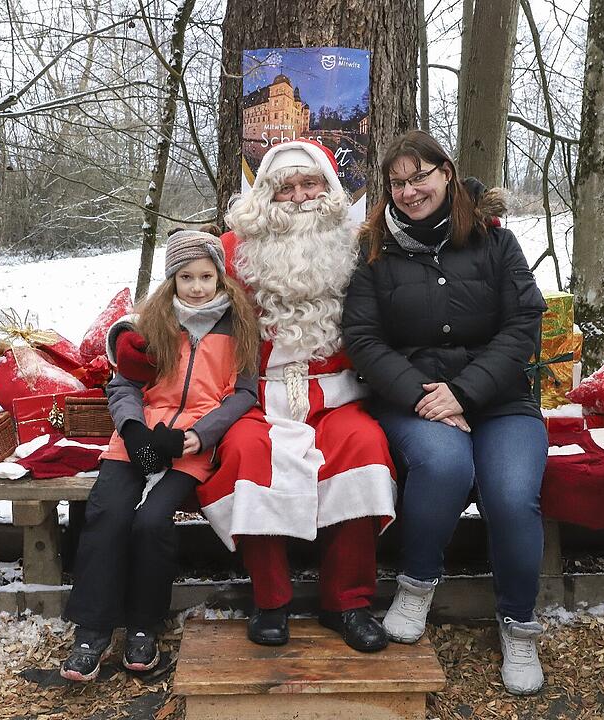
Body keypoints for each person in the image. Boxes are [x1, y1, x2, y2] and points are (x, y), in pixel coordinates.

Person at [342, 129, 550, 695]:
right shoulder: (375, 251)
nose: (410, 191)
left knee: (511, 493)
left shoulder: (494, 243)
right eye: (398, 182)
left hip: (500, 399)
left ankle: (518, 625)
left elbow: (523, 325)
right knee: (445, 465)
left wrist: (466, 393)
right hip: (414, 396)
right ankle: (415, 587)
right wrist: (422, 394)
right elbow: (363, 339)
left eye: (421, 177)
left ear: (447, 174)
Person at [195, 139, 398, 653]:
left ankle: (347, 602)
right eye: (286, 188)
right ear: (266, 197)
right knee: (247, 454)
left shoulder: (358, 245)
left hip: (337, 396)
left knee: (363, 448)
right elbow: (185, 304)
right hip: (256, 399)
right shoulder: (231, 249)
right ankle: (271, 600)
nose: (301, 197)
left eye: (311, 184)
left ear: (330, 191)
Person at [60, 229, 260, 682]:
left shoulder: (239, 324)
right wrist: (131, 430)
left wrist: (203, 436)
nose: (196, 287)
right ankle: (92, 629)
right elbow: (124, 384)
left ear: (220, 277)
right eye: (185, 277)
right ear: (171, 280)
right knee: (107, 513)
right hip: (140, 435)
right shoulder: (149, 325)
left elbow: (243, 394)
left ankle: (143, 626)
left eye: (206, 276)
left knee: (151, 522)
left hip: (191, 443)